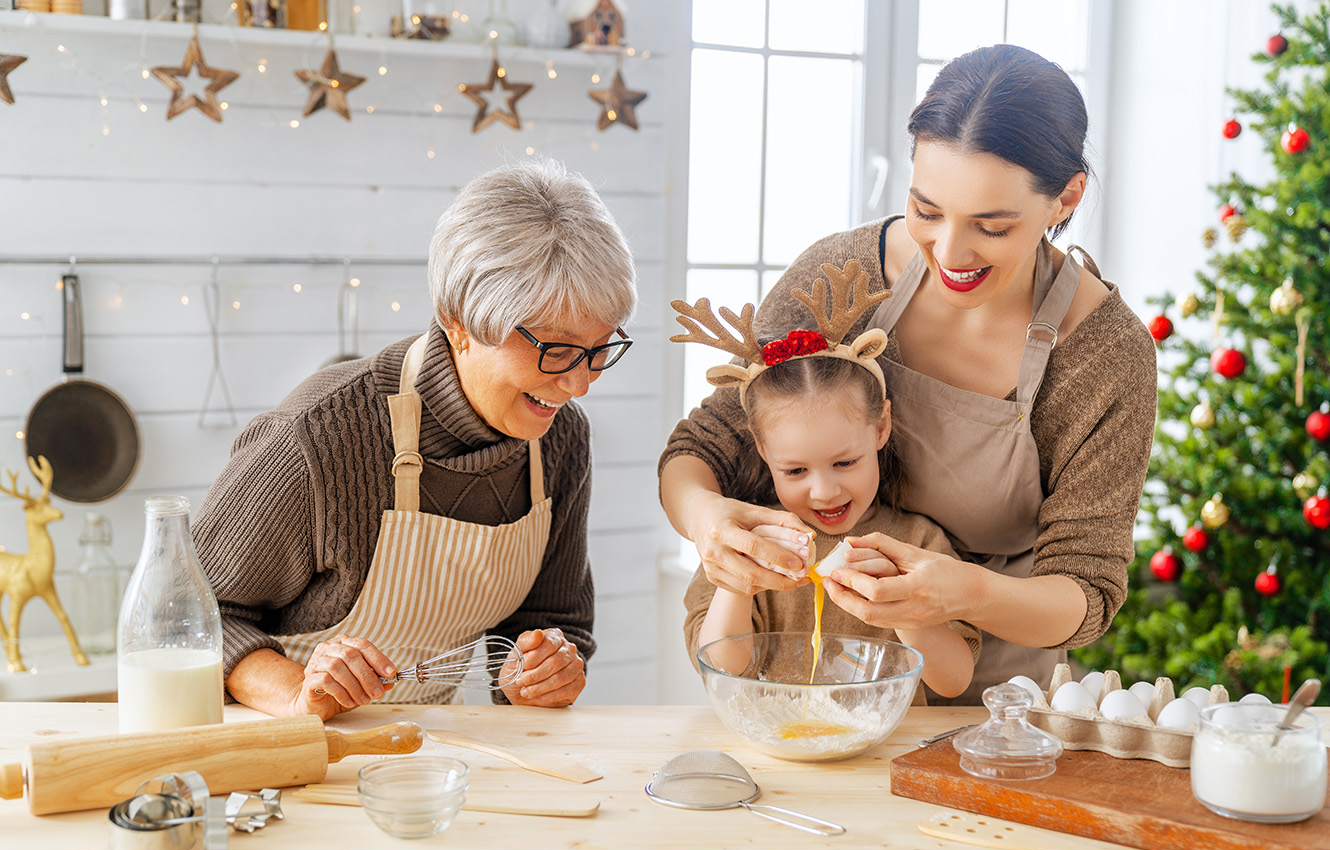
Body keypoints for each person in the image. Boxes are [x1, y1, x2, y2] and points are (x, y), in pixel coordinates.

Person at [659, 44, 1157, 704]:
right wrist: (709, 523)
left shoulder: (1103, 353)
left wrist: (957, 591)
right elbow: (701, 449)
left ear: (1066, 198)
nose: (950, 252)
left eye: (992, 226)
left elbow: (1085, 593)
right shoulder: (840, 278)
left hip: (990, 704)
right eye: (927, 210)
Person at [194, 159, 637, 720]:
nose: (578, 384)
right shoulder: (319, 435)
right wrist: (295, 692)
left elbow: (552, 618)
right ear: (458, 322)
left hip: (428, 751)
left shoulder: (560, 439)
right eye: (556, 349)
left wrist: (540, 671)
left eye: (600, 350)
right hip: (286, 750)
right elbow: (187, 616)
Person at [673, 265, 979, 699]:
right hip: (776, 756)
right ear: (762, 450)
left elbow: (955, 680)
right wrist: (739, 582)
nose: (824, 491)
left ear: (880, 427)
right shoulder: (744, 543)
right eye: (796, 471)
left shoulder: (917, 543)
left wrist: (902, 607)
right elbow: (720, 670)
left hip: (883, 760)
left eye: (845, 462)